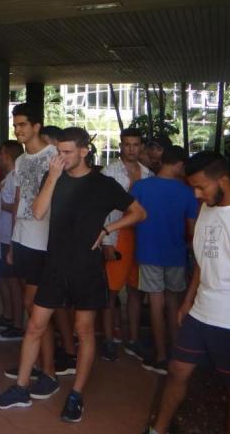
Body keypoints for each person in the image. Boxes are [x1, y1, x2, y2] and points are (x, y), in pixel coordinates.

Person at [0, 127, 146, 423]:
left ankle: (76, 394)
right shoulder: (55, 179)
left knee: (83, 330)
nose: (61, 157)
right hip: (55, 264)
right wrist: (51, 177)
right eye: (59, 151)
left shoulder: (104, 184)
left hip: (86, 268)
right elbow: (36, 212)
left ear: (84, 151)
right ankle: (21, 388)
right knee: (35, 325)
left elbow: (139, 213)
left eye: (67, 152)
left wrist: (108, 229)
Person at [146, 152, 230, 434]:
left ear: (224, 180)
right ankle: (157, 430)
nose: (196, 194)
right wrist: (187, 300)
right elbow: (201, 261)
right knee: (177, 370)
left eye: (201, 187)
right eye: (192, 187)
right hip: (200, 312)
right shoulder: (207, 208)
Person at [4, 103, 69, 397]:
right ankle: (42, 367)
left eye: (22, 125)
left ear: (37, 126)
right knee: (35, 310)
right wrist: (13, 242)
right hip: (24, 239)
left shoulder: (53, 158)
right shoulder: (20, 161)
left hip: (47, 244)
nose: (18, 130)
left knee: (36, 309)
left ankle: (48, 370)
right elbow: (20, 199)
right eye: (15, 125)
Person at [130, 145, 198, 374]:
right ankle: (177, 353)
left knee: (156, 304)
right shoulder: (187, 192)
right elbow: (192, 229)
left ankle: (159, 356)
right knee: (173, 304)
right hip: (176, 254)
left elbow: (130, 218)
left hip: (148, 252)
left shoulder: (140, 187)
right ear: (179, 164)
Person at [100, 128, 153, 362]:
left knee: (136, 290)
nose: (131, 148)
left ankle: (132, 340)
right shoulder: (109, 172)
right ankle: (109, 339)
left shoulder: (149, 174)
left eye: (135, 144)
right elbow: (105, 210)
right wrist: (107, 241)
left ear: (141, 147)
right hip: (118, 234)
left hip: (141, 236)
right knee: (111, 291)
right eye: (127, 144)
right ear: (121, 145)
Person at [0, 140, 25, 343]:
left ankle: (18, 323)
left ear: (8, 155)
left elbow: (16, 206)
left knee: (14, 282)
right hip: (3, 235)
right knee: (4, 279)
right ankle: (7, 315)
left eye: (2, 153)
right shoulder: (7, 177)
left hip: (11, 235)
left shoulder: (16, 177)